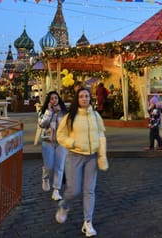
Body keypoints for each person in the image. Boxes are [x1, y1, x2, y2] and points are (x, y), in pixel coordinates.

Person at [56, 87, 106, 237]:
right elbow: (61, 135)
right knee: (74, 190)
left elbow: (101, 135)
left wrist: (102, 156)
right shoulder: (70, 116)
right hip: (74, 156)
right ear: (77, 99)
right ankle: (64, 205)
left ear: (90, 98)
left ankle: (88, 222)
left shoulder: (96, 116)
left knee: (89, 191)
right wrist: (72, 143)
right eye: (81, 96)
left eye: (86, 96)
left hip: (91, 157)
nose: (84, 99)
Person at [37, 91, 68, 201]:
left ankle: (56, 190)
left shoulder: (64, 112)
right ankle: (45, 177)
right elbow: (42, 124)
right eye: (51, 98)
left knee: (59, 167)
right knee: (49, 166)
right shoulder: (44, 111)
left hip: (61, 142)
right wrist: (49, 112)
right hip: (47, 141)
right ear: (48, 101)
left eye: (56, 98)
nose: (54, 100)